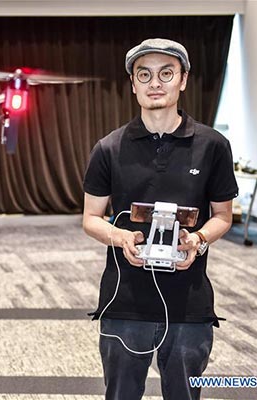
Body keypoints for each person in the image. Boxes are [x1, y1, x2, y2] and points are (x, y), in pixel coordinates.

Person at [82, 38, 238, 400]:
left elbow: (222, 216)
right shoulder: (109, 148)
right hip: (124, 302)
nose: (155, 83)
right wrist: (121, 237)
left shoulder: (213, 146)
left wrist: (197, 240)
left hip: (189, 304)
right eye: (144, 75)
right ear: (133, 84)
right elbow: (91, 218)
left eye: (166, 73)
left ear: (183, 80)